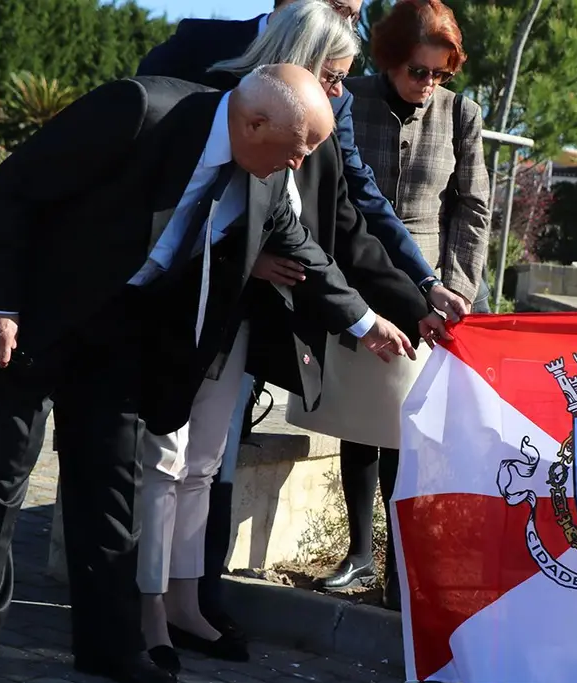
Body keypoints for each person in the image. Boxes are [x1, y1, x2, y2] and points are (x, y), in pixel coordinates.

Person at [0, 64, 418, 683]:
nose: (300, 165)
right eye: (298, 149)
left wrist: (367, 322)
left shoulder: (266, 175)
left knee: (112, 498)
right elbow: (16, 185)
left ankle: (109, 649)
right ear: (255, 123)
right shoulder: (139, 110)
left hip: (117, 338)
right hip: (32, 323)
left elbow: (303, 250)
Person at [136, 0, 471, 638]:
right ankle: (147, 607)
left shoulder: (324, 115)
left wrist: (415, 299)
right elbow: (177, 210)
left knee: (204, 462)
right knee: (164, 460)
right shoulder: (227, 96)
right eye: (334, 77)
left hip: (248, 315)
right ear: (297, 63)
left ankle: (186, 601)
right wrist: (247, 257)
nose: (341, 93)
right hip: (182, 302)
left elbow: (342, 220)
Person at [288, 0, 491, 608]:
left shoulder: (462, 114)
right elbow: (346, 198)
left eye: (440, 73)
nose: (429, 83)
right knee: (359, 423)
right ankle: (358, 554)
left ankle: (403, 565)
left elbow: (472, 209)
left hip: (430, 294)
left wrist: (457, 289)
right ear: (390, 59)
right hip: (356, 283)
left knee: (410, 434)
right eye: (418, 71)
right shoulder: (347, 98)